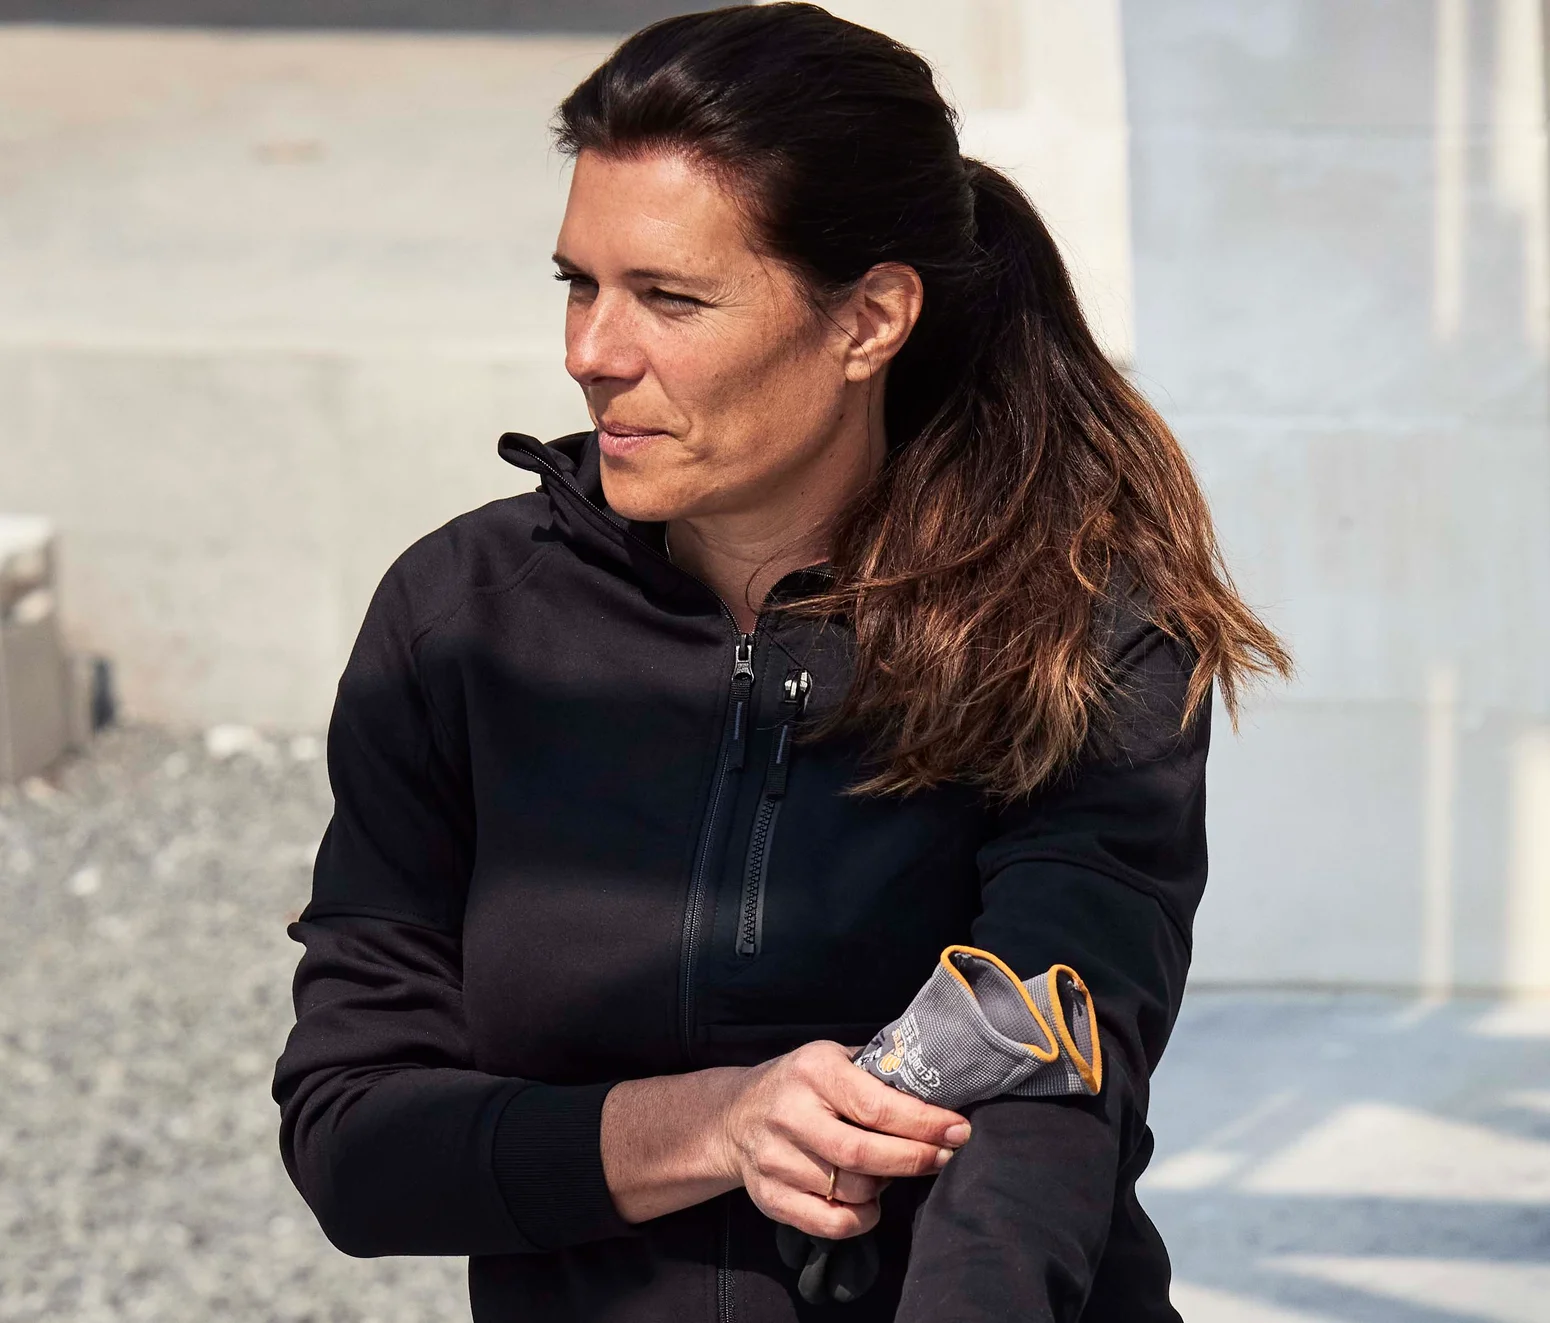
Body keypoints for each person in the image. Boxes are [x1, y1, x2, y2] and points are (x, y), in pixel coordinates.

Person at [271, 5, 1289, 1320]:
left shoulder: (1074, 633)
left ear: (869, 320)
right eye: (578, 283)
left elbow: (1043, 1117)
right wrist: (716, 1123)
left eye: (669, 298)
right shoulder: (460, 616)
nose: (591, 352)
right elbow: (355, 1138)